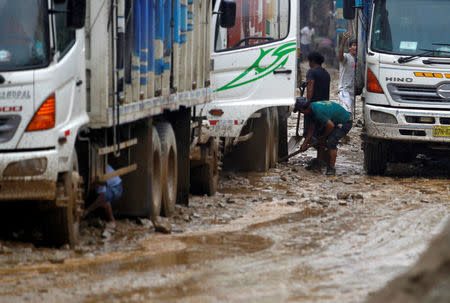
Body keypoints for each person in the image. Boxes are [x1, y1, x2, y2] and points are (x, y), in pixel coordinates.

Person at [294, 99, 353, 176]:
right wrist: (305, 144)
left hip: (345, 122)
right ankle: (319, 163)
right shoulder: (312, 109)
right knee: (320, 138)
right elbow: (311, 129)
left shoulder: (318, 112)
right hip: (334, 120)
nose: (301, 113)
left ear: (304, 109)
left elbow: (330, 126)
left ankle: (331, 169)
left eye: (300, 111)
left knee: (331, 142)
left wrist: (323, 137)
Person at [338, 32, 357, 115]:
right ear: (349, 47)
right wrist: (343, 42)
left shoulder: (359, 60)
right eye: (353, 45)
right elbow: (340, 55)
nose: (355, 47)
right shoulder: (346, 57)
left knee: (349, 114)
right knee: (347, 113)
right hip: (344, 90)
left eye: (357, 45)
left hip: (352, 91)